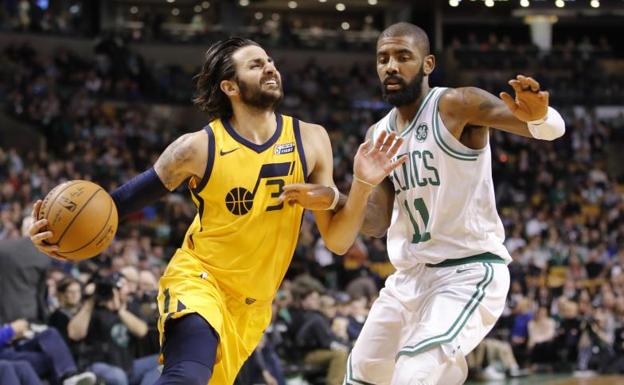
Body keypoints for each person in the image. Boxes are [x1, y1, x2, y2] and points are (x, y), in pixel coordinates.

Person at [29, 37, 404, 385]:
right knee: (187, 376)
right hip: (199, 280)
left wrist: (358, 186)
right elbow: (116, 204)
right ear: (230, 86)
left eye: (270, 61)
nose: (271, 68)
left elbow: (338, 241)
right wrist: (49, 232)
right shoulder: (196, 148)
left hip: (253, 306)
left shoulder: (311, 138)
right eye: (256, 65)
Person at [282, 22, 565, 384]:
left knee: (416, 370)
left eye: (403, 57)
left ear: (428, 64)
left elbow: (542, 128)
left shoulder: (457, 104)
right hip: (408, 279)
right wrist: (338, 198)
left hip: (467, 270)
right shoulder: (378, 134)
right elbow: (377, 223)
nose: (391, 66)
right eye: (383, 58)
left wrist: (541, 116)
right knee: (362, 375)